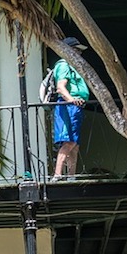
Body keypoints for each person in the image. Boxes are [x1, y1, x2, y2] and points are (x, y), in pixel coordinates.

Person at [52, 37, 90, 180]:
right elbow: (61, 87)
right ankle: (57, 174)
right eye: (76, 51)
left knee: (75, 143)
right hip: (69, 106)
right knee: (69, 141)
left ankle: (71, 176)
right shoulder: (63, 64)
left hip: (76, 106)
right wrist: (72, 100)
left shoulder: (72, 66)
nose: (79, 54)